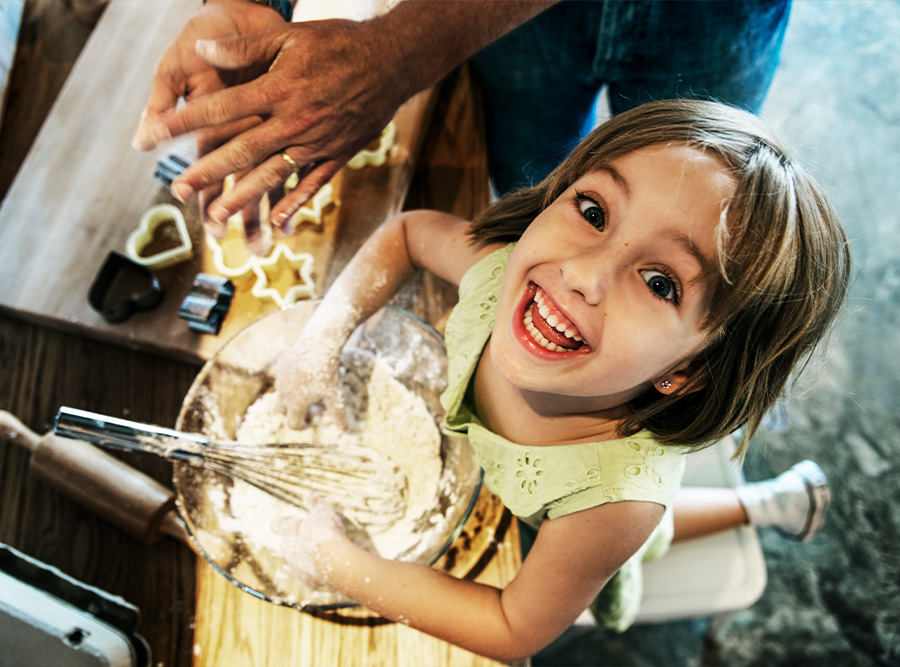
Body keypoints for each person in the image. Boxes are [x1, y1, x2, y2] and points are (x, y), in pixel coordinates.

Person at [270, 99, 851, 660]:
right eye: (595, 212)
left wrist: (340, 564)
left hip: (612, 525)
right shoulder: (497, 274)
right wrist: (322, 337)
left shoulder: (614, 507)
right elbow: (408, 233)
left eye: (660, 282)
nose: (582, 273)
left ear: (688, 369)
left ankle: (768, 504)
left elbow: (512, 627)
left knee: (657, 535)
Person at [131, 0, 790, 242]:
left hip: (712, 16)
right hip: (512, 26)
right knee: (528, 188)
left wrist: (397, 53)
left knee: (690, 213)